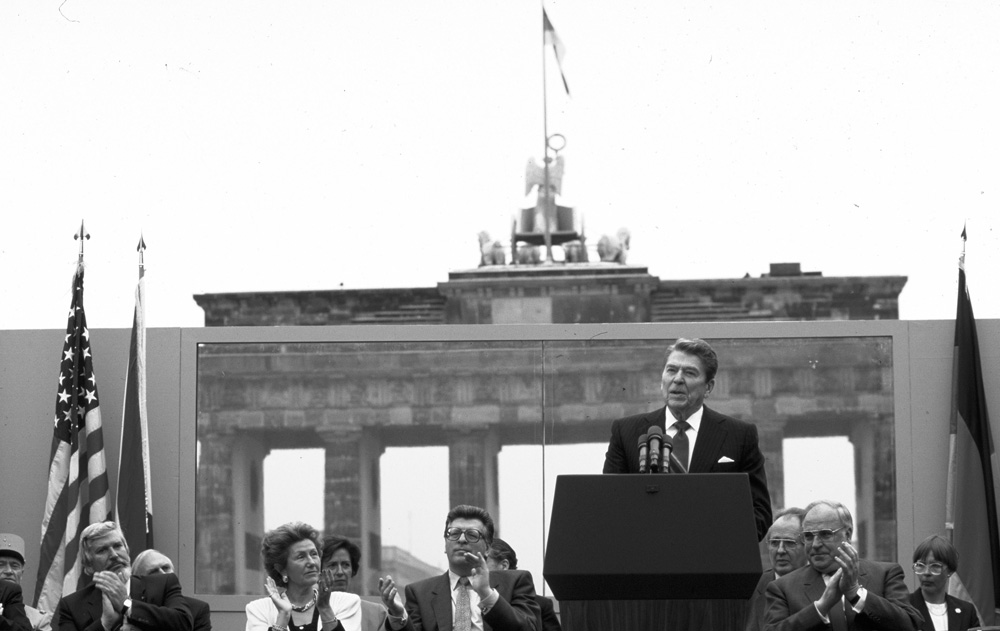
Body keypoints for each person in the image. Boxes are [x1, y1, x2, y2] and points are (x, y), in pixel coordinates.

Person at [603, 338, 772, 540]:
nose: (677, 379)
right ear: (662, 378)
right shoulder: (627, 432)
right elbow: (610, 507)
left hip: (711, 560)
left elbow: (760, 514)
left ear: (709, 387)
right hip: (646, 559)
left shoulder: (740, 435)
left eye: (689, 373)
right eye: (671, 370)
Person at [763, 500, 922, 631]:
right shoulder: (783, 588)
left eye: (825, 534)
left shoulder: (884, 575)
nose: (816, 544)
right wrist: (820, 607)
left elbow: (912, 626)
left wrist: (856, 594)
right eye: (809, 536)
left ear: (848, 534)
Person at [377, 504, 540, 631]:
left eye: (472, 535)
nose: (462, 539)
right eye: (454, 533)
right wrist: (398, 615)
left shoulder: (516, 582)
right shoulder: (419, 593)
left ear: (488, 548)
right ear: (445, 543)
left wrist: (486, 593)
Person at [54, 522, 192, 631]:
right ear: (89, 566)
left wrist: (127, 606)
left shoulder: (163, 584)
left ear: (127, 550)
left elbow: (184, 623)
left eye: (118, 546)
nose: (114, 555)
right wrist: (104, 624)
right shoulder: (72, 605)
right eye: (102, 550)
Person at [246, 522, 345, 631]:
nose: (311, 562)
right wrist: (283, 616)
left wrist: (325, 608)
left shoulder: (341, 603)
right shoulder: (259, 609)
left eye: (314, 554)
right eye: (301, 557)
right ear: (281, 569)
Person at [744, 509, 807, 631]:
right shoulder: (756, 585)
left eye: (789, 543)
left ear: (807, 545)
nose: (780, 550)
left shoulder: (822, 583)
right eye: (774, 543)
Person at [907, 535, 980, 631]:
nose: (926, 572)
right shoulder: (904, 607)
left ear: (950, 571)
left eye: (935, 566)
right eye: (920, 565)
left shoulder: (967, 611)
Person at [486, 538, 561, 631]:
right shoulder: (468, 596)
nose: (475, 565)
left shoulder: (541, 604)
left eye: (483, 559)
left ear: (504, 565)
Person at [132, 549, 212, 631]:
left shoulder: (197, 609)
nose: (163, 574)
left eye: (166, 568)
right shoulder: (133, 610)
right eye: (153, 571)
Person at [319, 536, 387, 631]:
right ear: (319, 571)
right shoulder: (307, 611)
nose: (340, 572)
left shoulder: (376, 613)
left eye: (345, 565)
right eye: (332, 565)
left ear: (353, 570)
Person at [0, 534, 51, 631]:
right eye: (1, 565)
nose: (9, 571)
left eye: (14, 566)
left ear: (22, 573)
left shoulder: (38, 619)